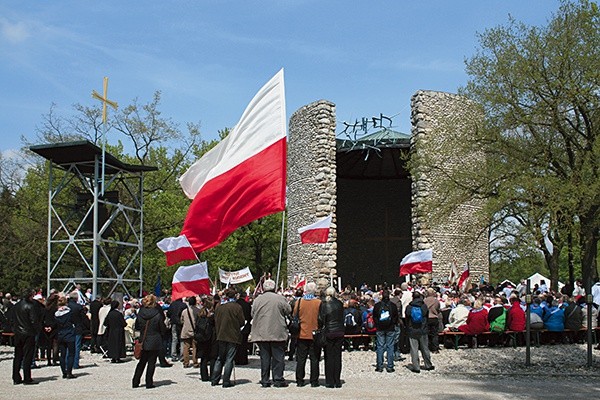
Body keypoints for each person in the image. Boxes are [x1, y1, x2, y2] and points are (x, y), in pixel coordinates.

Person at [250, 279, 291, 388]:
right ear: (274, 288)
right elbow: (288, 310)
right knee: (278, 357)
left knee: (265, 357)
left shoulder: (257, 300)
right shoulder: (280, 299)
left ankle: (265, 380)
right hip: (277, 331)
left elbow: (252, 313)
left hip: (262, 332)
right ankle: (277, 379)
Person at [211, 288, 245, 388]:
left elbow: (215, 320)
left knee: (220, 358)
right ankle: (226, 381)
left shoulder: (220, 307)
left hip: (221, 334)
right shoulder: (237, 307)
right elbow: (242, 322)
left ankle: (214, 379)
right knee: (229, 358)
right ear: (235, 296)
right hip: (233, 335)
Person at [133, 294, 168, 389]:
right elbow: (162, 329)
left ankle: (135, 381)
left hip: (143, 339)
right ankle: (149, 382)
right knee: (151, 363)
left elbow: (137, 326)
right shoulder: (157, 314)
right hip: (155, 339)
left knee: (142, 362)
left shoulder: (141, 313)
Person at [11, 288, 42, 385]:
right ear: (30, 296)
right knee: (28, 355)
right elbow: (33, 320)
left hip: (18, 333)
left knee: (18, 356)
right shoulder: (30, 306)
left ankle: (16, 377)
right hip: (28, 333)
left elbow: (12, 318)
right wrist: (37, 330)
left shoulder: (16, 306)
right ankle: (27, 377)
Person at [294, 282, 322, 387]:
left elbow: (295, 314)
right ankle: (314, 381)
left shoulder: (299, 302)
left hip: (302, 332)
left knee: (301, 359)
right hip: (315, 333)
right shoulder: (319, 303)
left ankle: (300, 380)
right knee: (314, 359)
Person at [318, 286, 345, 388]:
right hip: (339, 331)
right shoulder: (339, 304)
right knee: (337, 356)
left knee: (329, 357)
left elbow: (321, 319)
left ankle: (329, 381)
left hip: (329, 331)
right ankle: (337, 380)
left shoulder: (324, 304)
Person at [405, 291, 434, 373]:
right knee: (425, 348)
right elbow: (427, 317)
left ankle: (416, 367)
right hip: (422, 329)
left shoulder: (409, 307)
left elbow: (407, 318)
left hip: (412, 330)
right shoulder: (424, 306)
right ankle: (428, 364)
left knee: (414, 349)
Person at [373, 289, 399, 373]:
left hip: (380, 328)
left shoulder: (377, 306)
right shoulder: (393, 306)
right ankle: (390, 366)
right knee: (390, 347)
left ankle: (379, 366)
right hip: (390, 328)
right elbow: (396, 317)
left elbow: (374, 316)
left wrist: (377, 324)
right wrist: (392, 323)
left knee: (380, 347)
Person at [55, 294, 77, 379]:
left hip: (60, 334)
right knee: (71, 354)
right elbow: (74, 321)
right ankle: (69, 372)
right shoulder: (69, 313)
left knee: (62, 354)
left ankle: (64, 372)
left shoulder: (56, 314)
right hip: (69, 334)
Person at [197, 297, 217, 382]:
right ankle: (213, 375)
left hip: (202, 338)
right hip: (211, 338)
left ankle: (204, 376)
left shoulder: (200, 313)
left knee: (203, 359)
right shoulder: (212, 315)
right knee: (212, 358)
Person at [67, 291, 86, 369]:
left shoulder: (66, 306)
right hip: (77, 327)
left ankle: (67, 363)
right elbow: (83, 318)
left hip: (68, 328)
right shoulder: (78, 307)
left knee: (68, 346)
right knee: (77, 346)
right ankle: (75, 364)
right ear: (76, 298)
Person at [180, 296, 200, 368]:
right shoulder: (198, 310)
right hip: (195, 331)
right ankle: (195, 362)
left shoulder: (184, 311)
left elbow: (181, 320)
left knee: (186, 347)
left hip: (186, 330)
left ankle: (186, 362)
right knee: (195, 347)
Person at [235, 288, 252, 366]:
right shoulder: (247, 305)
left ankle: (236, 359)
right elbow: (250, 316)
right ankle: (243, 359)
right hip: (245, 326)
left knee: (236, 344)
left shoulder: (235, 304)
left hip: (236, 326)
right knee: (244, 344)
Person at [167, 296, 187, 361]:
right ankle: (182, 355)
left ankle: (173, 355)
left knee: (174, 339)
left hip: (174, 323)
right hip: (181, 323)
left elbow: (168, 314)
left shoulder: (172, 304)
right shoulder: (184, 305)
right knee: (182, 338)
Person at [423, 288, 442, 352]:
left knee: (427, 334)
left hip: (427, 317)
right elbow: (438, 308)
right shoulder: (436, 301)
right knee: (434, 334)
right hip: (434, 317)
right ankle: (435, 348)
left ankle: (427, 347)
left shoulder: (424, 300)